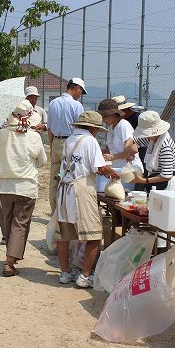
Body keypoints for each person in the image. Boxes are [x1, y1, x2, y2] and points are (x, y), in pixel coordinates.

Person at [55, 111, 119, 288]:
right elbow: (100, 167)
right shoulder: (90, 141)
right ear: (93, 128)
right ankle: (85, 276)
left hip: (64, 188)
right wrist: (114, 174)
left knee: (64, 234)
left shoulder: (69, 139)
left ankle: (65, 272)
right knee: (94, 235)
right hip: (81, 188)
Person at [0, 100, 47, 276]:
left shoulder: (0, 135)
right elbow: (42, 161)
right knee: (20, 224)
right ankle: (9, 261)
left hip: (4, 186)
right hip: (26, 186)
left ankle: (12, 255)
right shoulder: (34, 137)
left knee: (9, 222)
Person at [47, 77, 86, 213]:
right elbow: (80, 128)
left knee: (54, 178)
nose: (80, 95)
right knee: (70, 178)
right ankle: (67, 212)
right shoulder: (76, 105)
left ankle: (54, 211)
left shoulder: (53, 103)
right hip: (70, 143)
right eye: (81, 91)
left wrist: (52, 146)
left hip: (56, 142)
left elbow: (49, 128)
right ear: (77, 88)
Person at [97, 98, 141, 191]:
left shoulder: (123, 125)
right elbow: (110, 149)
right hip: (120, 169)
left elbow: (131, 150)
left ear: (114, 114)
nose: (103, 119)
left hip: (129, 171)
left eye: (105, 116)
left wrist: (112, 157)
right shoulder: (111, 129)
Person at [129, 111, 175, 191]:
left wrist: (143, 181)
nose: (146, 136)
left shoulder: (165, 145)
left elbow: (166, 175)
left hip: (165, 185)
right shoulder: (151, 139)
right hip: (153, 179)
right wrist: (129, 149)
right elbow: (134, 139)